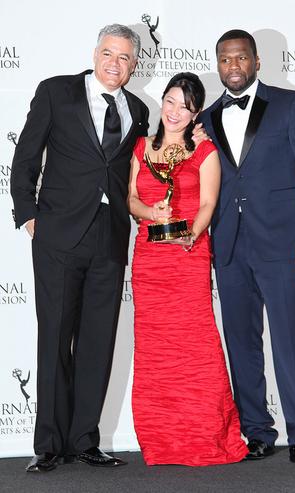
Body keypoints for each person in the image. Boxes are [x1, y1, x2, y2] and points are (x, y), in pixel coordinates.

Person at [10, 24, 149, 472]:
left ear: (133, 65)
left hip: (109, 235)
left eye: (124, 57)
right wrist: (28, 215)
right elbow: (26, 157)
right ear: (95, 53)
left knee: (97, 341)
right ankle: (49, 444)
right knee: (54, 338)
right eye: (108, 53)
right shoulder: (56, 92)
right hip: (57, 235)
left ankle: (86, 439)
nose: (115, 63)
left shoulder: (140, 110)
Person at [199, 30, 295, 468]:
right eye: (224, 59)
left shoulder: (291, 105)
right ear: (217, 65)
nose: (232, 66)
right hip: (230, 247)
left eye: (240, 58)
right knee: (241, 344)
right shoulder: (208, 117)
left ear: (256, 62)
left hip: (283, 244)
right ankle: (256, 432)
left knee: (290, 343)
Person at [128, 72, 249, 466]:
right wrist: (150, 211)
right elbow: (131, 197)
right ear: (161, 101)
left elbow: (208, 205)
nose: (175, 111)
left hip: (186, 258)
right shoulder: (142, 147)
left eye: (186, 106)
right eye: (171, 101)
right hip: (149, 261)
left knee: (195, 345)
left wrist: (189, 235)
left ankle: (205, 434)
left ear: (196, 113)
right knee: (156, 351)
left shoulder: (205, 152)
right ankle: (161, 439)